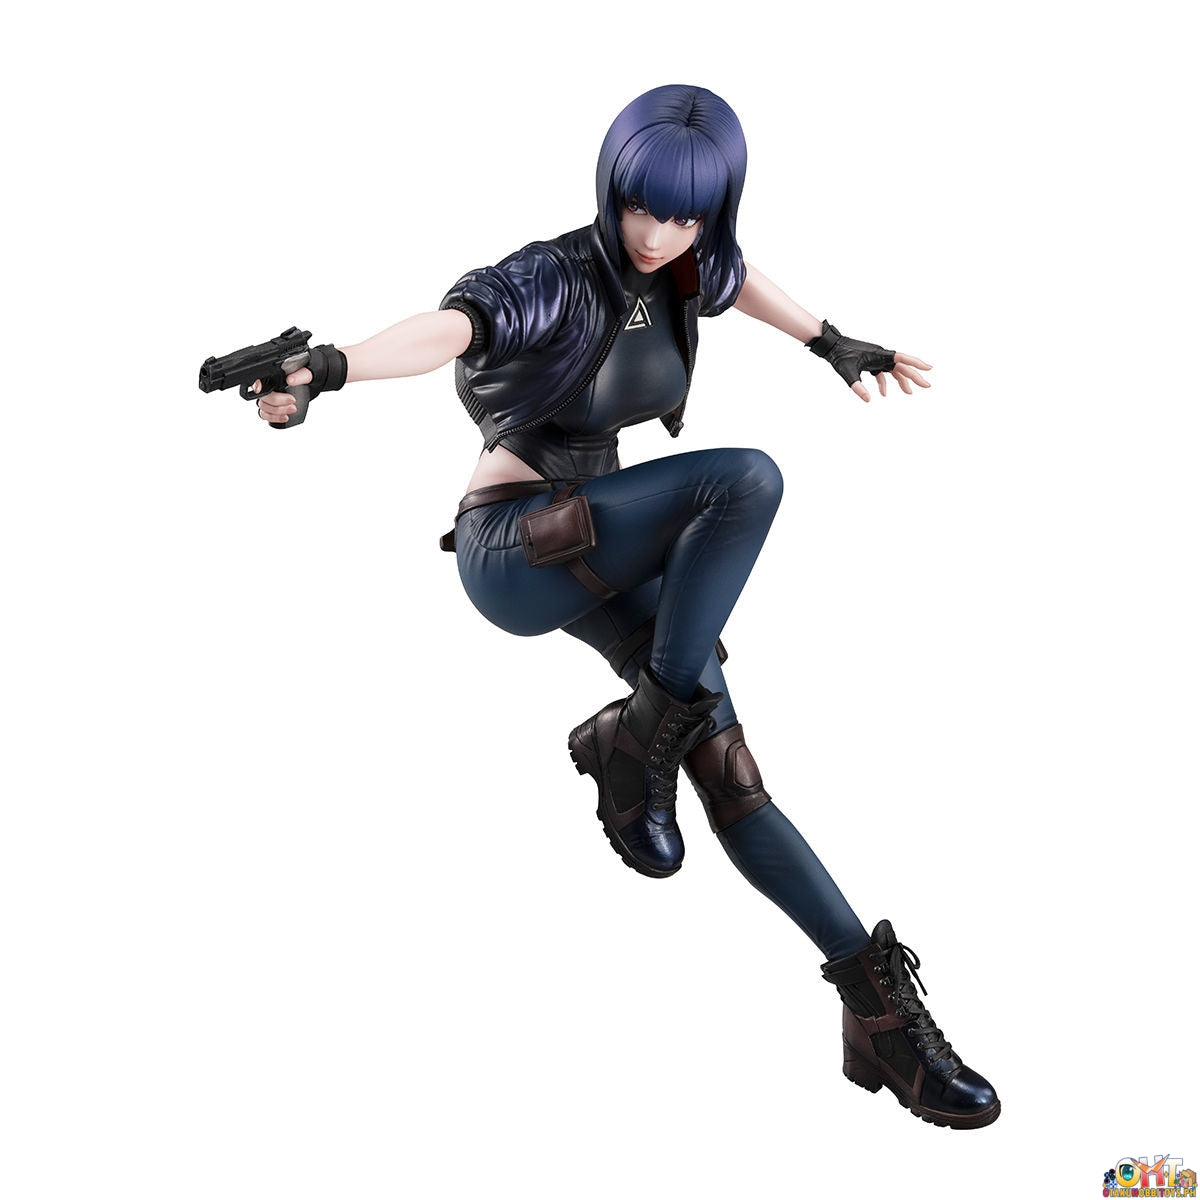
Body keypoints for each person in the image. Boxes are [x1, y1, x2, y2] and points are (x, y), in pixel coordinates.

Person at [252, 84, 999, 1130]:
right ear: (613, 187)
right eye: (643, 206)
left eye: (686, 216)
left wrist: (830, 340)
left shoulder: (692, 265)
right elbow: (450, 328)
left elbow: (739, 281)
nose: (657, 235)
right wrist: (329, 368)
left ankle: (877, 1012)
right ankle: (638, 737)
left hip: (600, 539)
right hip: (517, 545)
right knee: (744, 481)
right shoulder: (551, 275)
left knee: (729, 769)